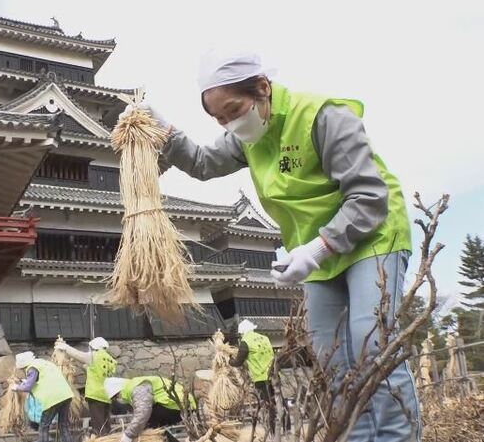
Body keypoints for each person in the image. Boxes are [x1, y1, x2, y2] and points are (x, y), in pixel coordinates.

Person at [129, 51, 419, 442]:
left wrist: (318, 248)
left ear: (263, 88)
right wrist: (164, 130)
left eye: (233, 110)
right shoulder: (248, 136)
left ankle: (399, 436)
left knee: (371, 340)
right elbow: (202, 163)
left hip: (371, 236)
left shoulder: (322, 117)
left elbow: (368, 196)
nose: (229, 124)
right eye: (219, 119)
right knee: (331, 355)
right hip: (315, 248)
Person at [55, 336, 117, 436]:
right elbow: (99, 373)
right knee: (106, 424)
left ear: (94, 347)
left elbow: (77, 355)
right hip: (107, 396)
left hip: (95, 395)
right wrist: (87, 368)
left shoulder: (94, 356)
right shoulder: (110, 360)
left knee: (98, 426)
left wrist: (64, 346)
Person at [103, 376, 195, 442]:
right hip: (177, 404)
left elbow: (143, 412)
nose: (117, 400)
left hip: (177, 404)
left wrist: (128, 435)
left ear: (118, 391)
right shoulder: (133, 386)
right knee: (151, 428)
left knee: (147, 424)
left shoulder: (137, 388)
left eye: (115, 397)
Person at [12, 351, 74, 442]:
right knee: (63, 425)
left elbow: (28, 387)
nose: (22, 370)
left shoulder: (32, 368)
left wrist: (16, 387)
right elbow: (42, 380)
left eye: (22, 369)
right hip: (66, 395)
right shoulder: (44, 363)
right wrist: (25, 381)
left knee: (43, 426)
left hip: (53, 398)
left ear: (23, 365)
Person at [229, 319, 275, 431]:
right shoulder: (265, 338)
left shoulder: (246, 341)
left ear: (242, 332)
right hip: (274, 374)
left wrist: (229, 360)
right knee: (277, 400)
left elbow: (238, 362)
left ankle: (273, 429)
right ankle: (287, 425)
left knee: (267, 404)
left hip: (261, 377)